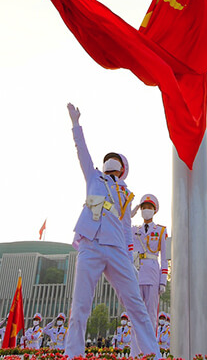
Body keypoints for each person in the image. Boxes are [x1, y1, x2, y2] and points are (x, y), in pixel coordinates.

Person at [63, 103, 160, 359]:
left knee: (136, 305)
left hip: (117, 250)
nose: (110, 161)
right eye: (108, 159)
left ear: (122, 168)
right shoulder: (94, 178)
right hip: (91, 245)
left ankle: (152, 353)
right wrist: (76, 125)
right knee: (81, 304)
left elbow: (128, 232)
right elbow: (81, 151)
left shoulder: (127, 195)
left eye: (114, 160)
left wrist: (129, 260)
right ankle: (73, 354)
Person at [132, 193, 170, 329]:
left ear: (154, 210)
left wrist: (163, 280)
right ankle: (135, 350)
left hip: (153, 274)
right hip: (137, 274)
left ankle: (150, 349)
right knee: (135, 314)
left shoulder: (161, 231)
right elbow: (119, 227)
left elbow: (164, 258)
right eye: (143, 207)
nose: (146, 210)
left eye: (149, 207)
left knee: (151, 314)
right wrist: (128, 215)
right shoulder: (134, 230)